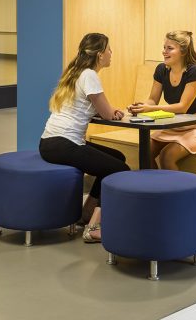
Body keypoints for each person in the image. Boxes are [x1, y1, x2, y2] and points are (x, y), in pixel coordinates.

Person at [39, 33, 129, 243]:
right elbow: (107, 114)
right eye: (108, 49)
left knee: (117, 157)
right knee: (119, 169)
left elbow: (87, 107)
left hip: (50, 142)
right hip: (65, 143)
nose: (111, 53)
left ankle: (86, 213)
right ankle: (94, 228)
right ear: (99, 55)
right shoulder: (90, 75)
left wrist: (106, 111)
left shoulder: (75, 72)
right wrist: (113, 112)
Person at [128, 30, 196, 170]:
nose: (164, 52)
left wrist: (150, 109)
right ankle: (155, 189)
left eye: (170, 48)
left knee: (166, 156)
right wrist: (141, 106)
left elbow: (182, 107)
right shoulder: (161, 69)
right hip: (174, 125)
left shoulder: (195, 71)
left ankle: (175, 192)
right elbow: (152, 100)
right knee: (146, 150)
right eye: (164, 47)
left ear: (183, 51)